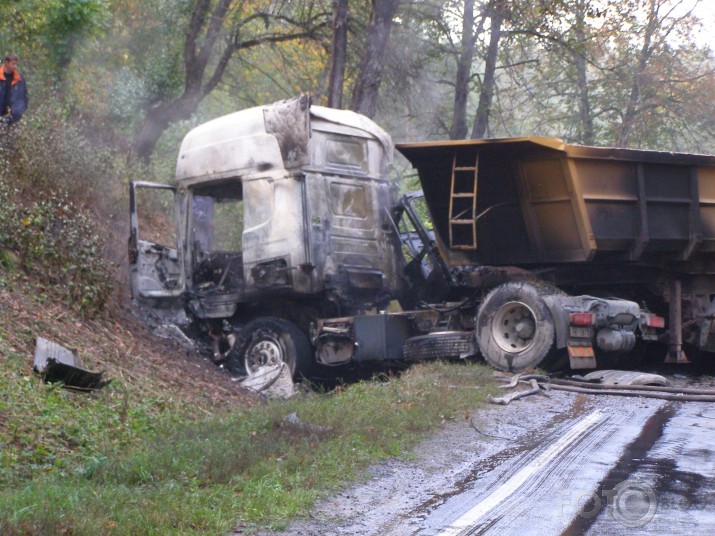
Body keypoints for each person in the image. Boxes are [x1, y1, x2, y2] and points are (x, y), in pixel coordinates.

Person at [0, 53, 28, 126]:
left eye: (16, 64)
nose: (15, 66)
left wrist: (20, 111)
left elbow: (25, 96)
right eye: (13, 64)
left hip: (13, 118)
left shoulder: (19, 79)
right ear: (6, 62)